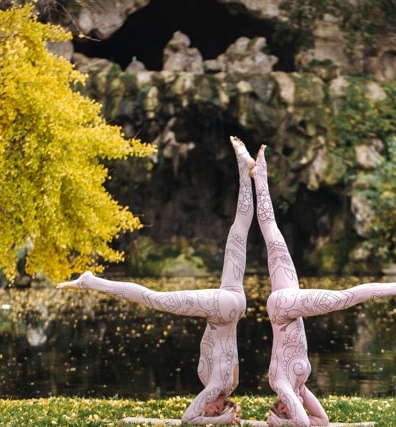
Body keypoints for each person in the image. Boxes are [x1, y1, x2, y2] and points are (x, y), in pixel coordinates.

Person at [56, 136, 257, 425]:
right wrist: (221, 421)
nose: (207, 409)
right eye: (214, 410)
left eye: (210, 411)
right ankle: (91, 280)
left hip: (232, 302)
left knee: (239, 232)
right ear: (224, 406)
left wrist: (223, 415)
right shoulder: (220, 387)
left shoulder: (227, 384)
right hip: (223, 310)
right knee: (156, 299)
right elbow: (189, 420)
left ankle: (243, 165)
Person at [248, 142, 396, 427]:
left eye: (287, 409)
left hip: (283, 308)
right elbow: (321, 422)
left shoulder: (281, 384)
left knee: (340, 293)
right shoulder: (299, 389)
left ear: (283, 407)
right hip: (289, 305)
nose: (293, 406)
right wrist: (284, 421)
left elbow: (302, 424)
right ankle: (259, 174)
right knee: (273, 236)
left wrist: (278, 424)